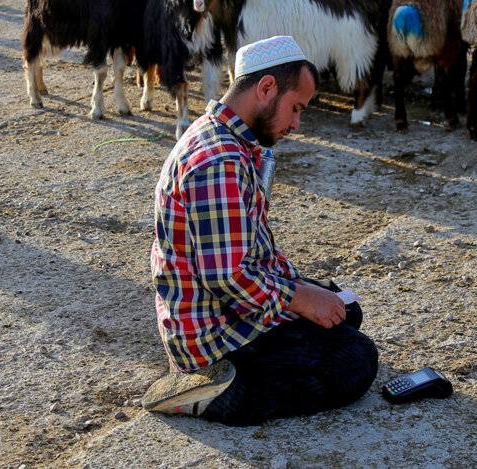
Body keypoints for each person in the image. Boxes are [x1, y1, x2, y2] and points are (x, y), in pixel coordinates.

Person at [143, 36, 378, 424]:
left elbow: (248, 252)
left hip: (230, 306)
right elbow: (228, 277)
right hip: (215, 333)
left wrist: (306, 293)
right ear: (266, 88)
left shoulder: (228, 138)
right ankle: (211, 391)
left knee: (344, 309)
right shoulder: (217, 161)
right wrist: (300, 298)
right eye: (295, 108)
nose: (297, 124)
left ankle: (239, 372)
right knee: (355, 361)